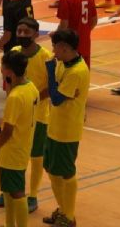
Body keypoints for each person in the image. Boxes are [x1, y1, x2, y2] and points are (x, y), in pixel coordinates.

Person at [0, 18, 53, 214]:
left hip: (38, 115)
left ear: (35, 33)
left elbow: (52, 86)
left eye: (26, 31)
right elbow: (5, 82)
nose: (22, 34)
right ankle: (7, 192)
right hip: (15, 113)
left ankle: (31, 196)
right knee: (9, 155)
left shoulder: (47, 57)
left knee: (35, 156)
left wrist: (31, 100)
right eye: (19, 31)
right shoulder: (13, 53)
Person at [42, 29, 89, 227]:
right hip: (55, 126)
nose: (52, 50)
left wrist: (51, 72)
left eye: (55, 46)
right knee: (51, 169)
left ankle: (68, 216)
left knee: (66, 172)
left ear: (64, 48)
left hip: (67, 131)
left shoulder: (77, 71)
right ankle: (63, 209)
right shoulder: (63, 62)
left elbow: (57, 98)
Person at [0, 50, 39, 227]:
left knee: (16, 192)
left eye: (2, 69)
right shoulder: (32, 88)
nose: (1, 72)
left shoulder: (15, 96)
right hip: (23, 145)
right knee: (8, 191)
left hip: (12, 151)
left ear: (9, 73)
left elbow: (7, 130)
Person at [57, 0, 98, 67]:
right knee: (84, 74)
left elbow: (63, 25)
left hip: (70, 46)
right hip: (85, 44)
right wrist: (83, 30)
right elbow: (94, 21)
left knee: (70, 76)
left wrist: (56, 37)